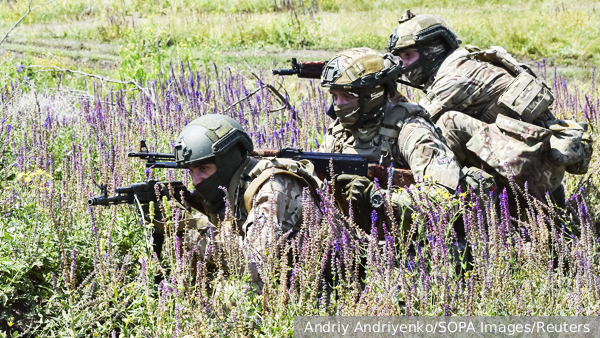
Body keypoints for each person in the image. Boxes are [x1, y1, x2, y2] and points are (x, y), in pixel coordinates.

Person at [387, 10, 592, 204]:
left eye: (409, 56)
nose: (403, 65)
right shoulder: (464, 63)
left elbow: (413, 124)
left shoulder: (456, 76)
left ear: (433, 50)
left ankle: (441, 202)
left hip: (534, 176)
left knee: (447, 125)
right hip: (533, 169)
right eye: (400, 57)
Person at [317, 47, 494, 232]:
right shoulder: (339, 131)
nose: (338, 105)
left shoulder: (411, 130)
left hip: (412, 242)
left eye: (348, 96)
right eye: (334, 96)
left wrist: (377, 198)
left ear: (373, 94)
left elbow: (443, 195)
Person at [171, 114, 323, 291]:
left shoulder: (273, 188)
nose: (196, 181)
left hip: (318, 292)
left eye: (203, 168)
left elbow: (255, 265)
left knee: (229, 290)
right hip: (285, 281)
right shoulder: (232, 187)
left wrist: (198, 240)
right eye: (191, 171)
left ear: (226, 164)